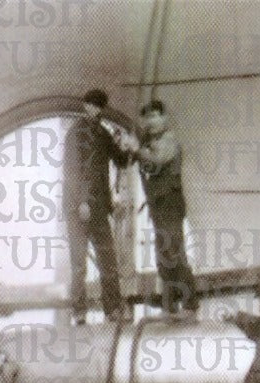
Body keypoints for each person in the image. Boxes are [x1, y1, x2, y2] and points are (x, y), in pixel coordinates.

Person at [63, 88, 131, 324]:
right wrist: (81, 201)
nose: (95, 110)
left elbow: (121, 161)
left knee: (107, 260)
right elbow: (72, 170)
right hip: (77, 209)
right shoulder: (75, 133)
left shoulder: (103, 134)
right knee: (79, 264)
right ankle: (79, 312)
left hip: (99, 209)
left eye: (99, 106)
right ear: (85, 106)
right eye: (91, 105)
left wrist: (125, 145)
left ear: (102, 109)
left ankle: (112, 309)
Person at [134, 99, 199, 316]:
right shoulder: (150, 143)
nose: (150, 122)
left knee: (174, 252)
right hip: (159, 206)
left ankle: (190, 303)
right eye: (147, 117)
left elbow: (157, 161)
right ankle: (169, 305)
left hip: (169, 204)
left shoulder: (169, 141)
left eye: (154, 116)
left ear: (164, 118)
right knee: (163, 256)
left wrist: (137, 149)